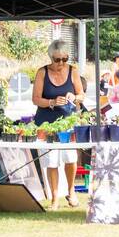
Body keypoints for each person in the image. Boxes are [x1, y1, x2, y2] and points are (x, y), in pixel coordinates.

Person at [31, 40, 83, 208]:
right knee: (51, 161)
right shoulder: (42, 73)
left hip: (68, 121)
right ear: (50, 57)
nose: (61, 63)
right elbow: (35, 99)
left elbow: (81, 94)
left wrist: (74, 97)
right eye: (57, 59)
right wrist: (52, 102)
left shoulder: (73, 71)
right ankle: (54, 198)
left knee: (70, 158)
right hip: (46, 123)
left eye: (64, 59)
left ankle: (71, 191)